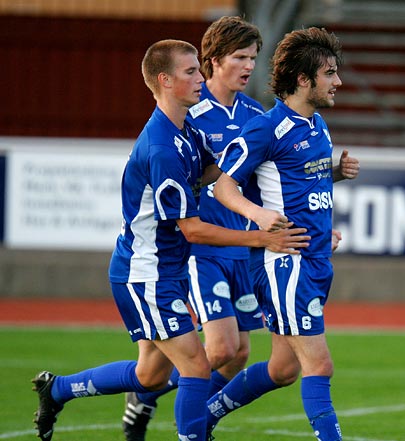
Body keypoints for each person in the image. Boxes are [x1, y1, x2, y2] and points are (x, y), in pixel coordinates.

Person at [31, 39, 309, 441]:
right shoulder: (161, 147)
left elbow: (223, 174)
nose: (200, 78)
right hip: (147, 273)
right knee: (199, 364)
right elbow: (192, 229)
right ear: (164, 80)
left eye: (199, 69)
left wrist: (306, 180)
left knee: (150, 374)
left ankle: (57, 389)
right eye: (191, 72)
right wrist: (261, 238)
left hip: (164, 269)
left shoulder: (186, 129)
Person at [121, 17, 268, 441]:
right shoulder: (188, 115)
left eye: (253, 59)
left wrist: (324, 181)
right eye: (240, 57)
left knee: (237, 355)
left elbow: (262, 177)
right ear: (213, 61)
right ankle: (189, 420)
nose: (248, 67)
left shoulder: (255, 116)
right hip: (201, 247)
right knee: (216, 351)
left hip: (238, 248)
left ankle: (167, 402)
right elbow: (169, 178)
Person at [209, 27, 359, 440]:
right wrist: (257, 216)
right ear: (303, 80)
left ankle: (201, 418)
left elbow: (301, 183)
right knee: (319, 364)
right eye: (329, 73)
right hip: (284, 263)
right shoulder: (266, 129)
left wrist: (335, 177)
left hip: (314, 259)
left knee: (282, 369)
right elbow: (223, 186)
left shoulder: (317, 126)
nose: (338, 82)